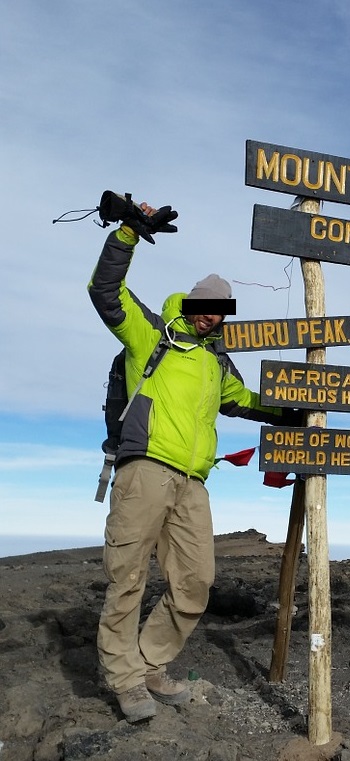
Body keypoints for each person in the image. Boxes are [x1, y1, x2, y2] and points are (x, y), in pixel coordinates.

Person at [88, 203, 299, 723]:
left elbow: (243, 401)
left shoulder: (216, 359)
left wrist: (293, 411)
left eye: (221, 310)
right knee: (128, 579)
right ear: (190, 300)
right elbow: (105, 292)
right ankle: (126, 680)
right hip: (144, 471)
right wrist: (129, 234)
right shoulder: (152, 334)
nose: (212, 315)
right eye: (206, 305)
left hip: (195, 482)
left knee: (195, 584)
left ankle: (150, 662)